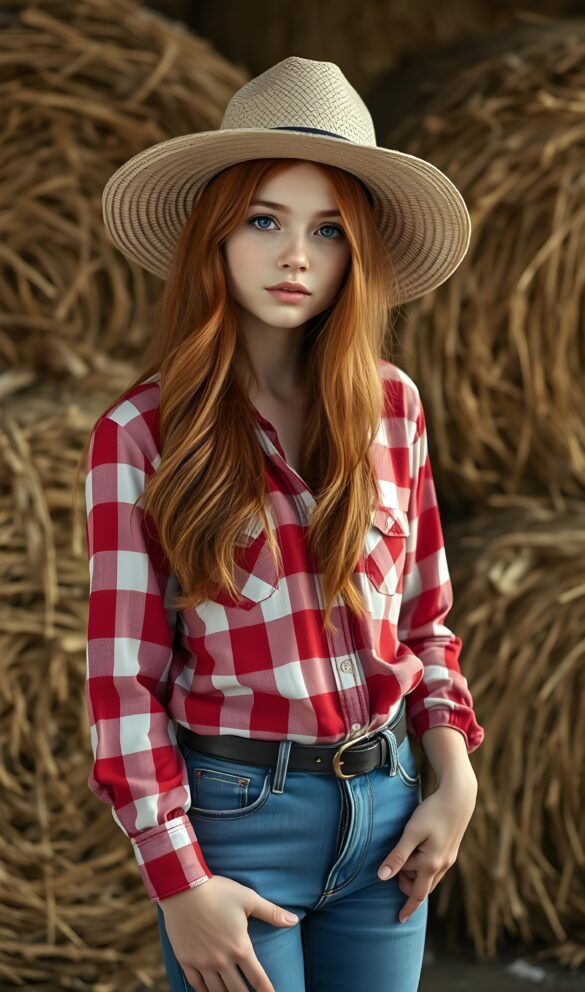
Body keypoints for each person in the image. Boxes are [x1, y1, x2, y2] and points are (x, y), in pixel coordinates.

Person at [77, 56, 485, 992]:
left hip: (389, 818)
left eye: (328, 230)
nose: (295, 255)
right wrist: (179, 883)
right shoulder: (140, 436)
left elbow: (424, 622)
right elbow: (123, 685)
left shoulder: (393, 407)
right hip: (236, 823)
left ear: (358, 255)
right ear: (215, 238)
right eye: (264, 220)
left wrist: (452, 778)